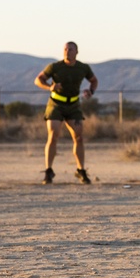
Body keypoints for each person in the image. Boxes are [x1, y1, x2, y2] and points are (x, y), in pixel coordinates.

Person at [33, 42, 98, 184]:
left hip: (73, 105)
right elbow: (38, 80)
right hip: (56, 104)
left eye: (70, 49)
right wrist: (50, 86)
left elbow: (94, 81)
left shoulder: (83, 68)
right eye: (65, 49)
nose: (67, 52)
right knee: (53, 135)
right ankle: (48, 171)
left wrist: (90, 91)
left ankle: (80, 170)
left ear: (76, 52)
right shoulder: (55, 67)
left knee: (79, 137)